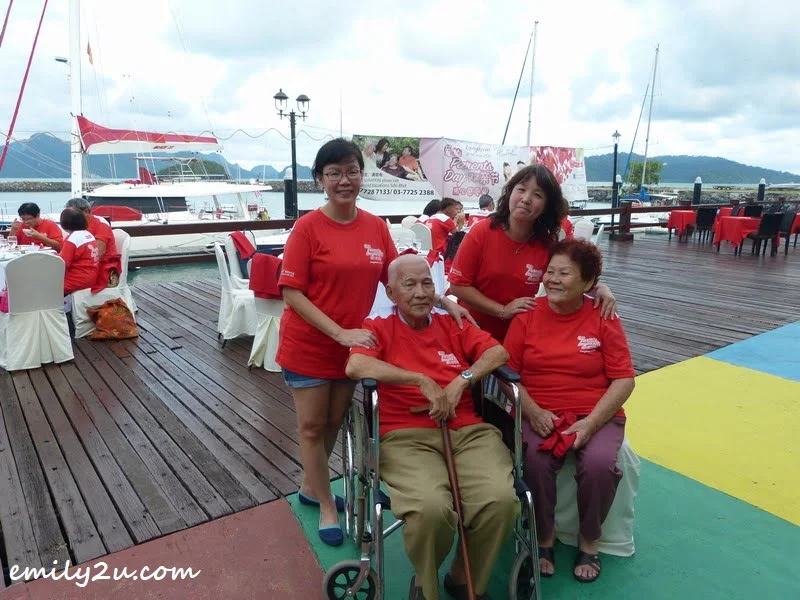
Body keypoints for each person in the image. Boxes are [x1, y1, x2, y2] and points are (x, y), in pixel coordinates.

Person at [275, 139, 472, 547]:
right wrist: (339, 333)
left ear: (362, 176)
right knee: (312, 427)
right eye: (334, 173)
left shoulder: (375, 226)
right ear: (320, 180)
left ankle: (312, 488)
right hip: (310, 345)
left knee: (333, 422)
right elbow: (291, 293)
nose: (343, 180)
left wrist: (439, 299)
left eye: (351, 171)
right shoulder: (308, 228)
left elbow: (395, 277)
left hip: (354, 347)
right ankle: (327, 504)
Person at [346, 255, 517, 600]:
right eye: (409, 285)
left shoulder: (452, 322)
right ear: (392, 293)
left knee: (500, 501)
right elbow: (357, 364)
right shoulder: (377, 324)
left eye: (427, 283)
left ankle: (463, 578)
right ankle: (427, 584)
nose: (421, 292)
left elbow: (497, 353)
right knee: (429, 509)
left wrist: (461, 381)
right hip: (406, 435)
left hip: (468, 431)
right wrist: (419, 379)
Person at [503, 239, 635, 584]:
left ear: (589, 282)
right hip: (541, 409)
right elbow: (506, 374)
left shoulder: (603, 315)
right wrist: (532, 412)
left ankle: (589, 541)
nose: (554, 279)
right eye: (550, 271)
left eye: (565, 273)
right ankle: (543, 537)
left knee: (598, 465)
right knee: (536, 461)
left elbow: (624, 380)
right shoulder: (528, 315)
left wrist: (590, 425)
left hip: (594, 412)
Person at [448, 165, 617, 342]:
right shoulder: (482, 232)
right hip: (475, 330)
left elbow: (565, 280)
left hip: (520, 332)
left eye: (537, 195)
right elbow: (458, 286)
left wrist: (600, 289)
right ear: (510, 193)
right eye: (521, 189)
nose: (526, 199)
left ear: (546, 206)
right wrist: (502, 310)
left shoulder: (546, 244)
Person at [65, 198, 121, 291]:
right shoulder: (76, 225)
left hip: (101, 266)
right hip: (86, 265)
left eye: (73, 214)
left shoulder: (100, 224)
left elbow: (99, 253)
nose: (70, 217)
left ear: (86, 211)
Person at [59, 208, 99, 295]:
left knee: (46, 286)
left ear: (64, 224)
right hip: (91, 278)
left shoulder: (72, 239)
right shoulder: (88, 234)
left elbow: (63, 264)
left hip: (77, 280)